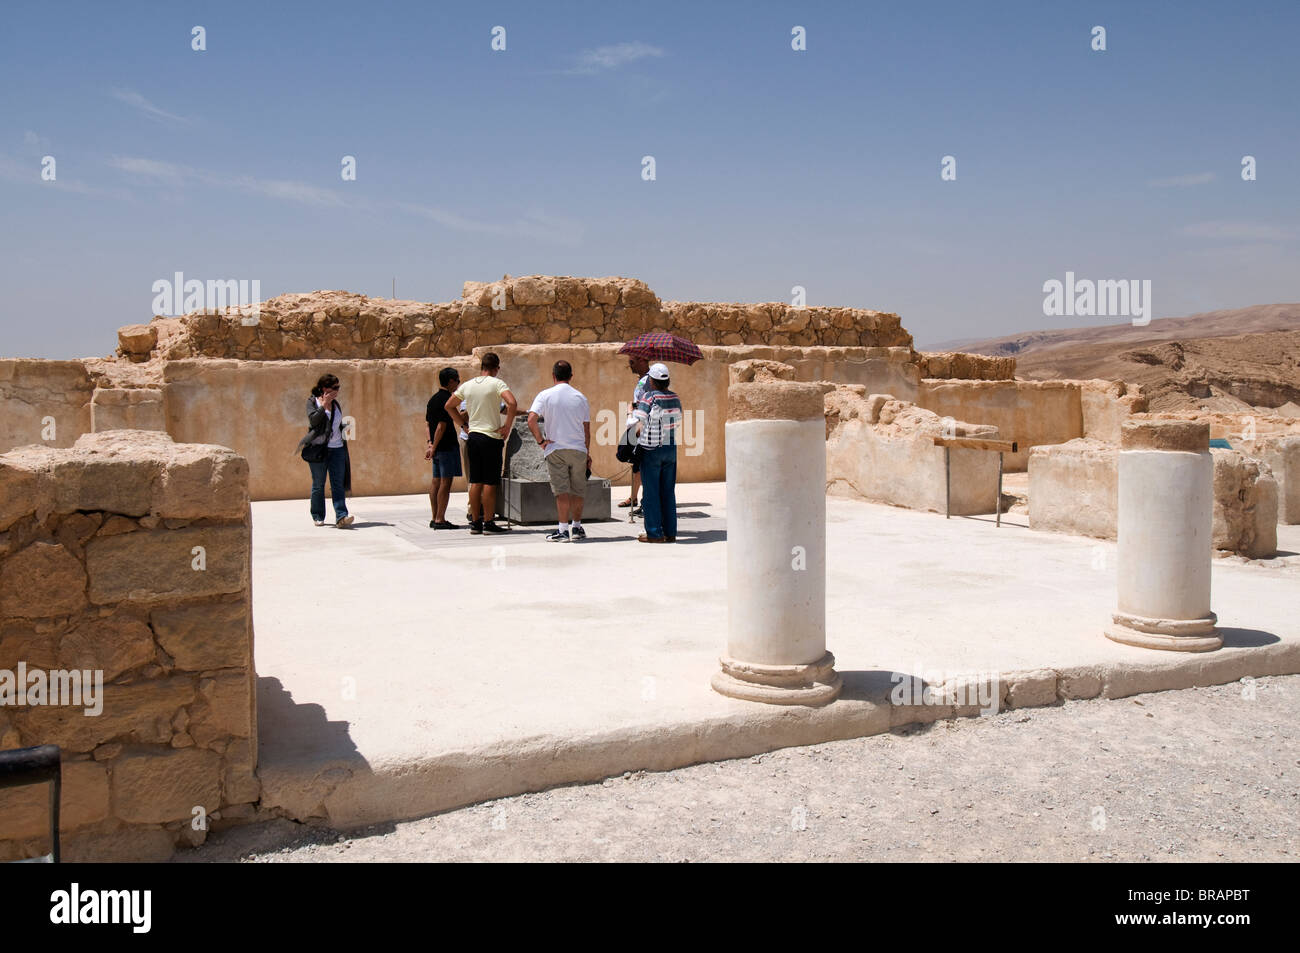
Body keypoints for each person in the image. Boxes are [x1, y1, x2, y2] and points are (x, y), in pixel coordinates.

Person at [445, 352, 516, 534]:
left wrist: (463, 425)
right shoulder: (497, 383)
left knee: (475, 481)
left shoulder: (468, 385)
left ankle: (475, 522)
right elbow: (512, 403)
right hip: (491, 438)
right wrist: (507, 427)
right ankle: (489, 522)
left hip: (473, 437)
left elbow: (449, 405)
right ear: (496, 368)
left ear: (481, 367)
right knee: (490, 482)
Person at [527, 360, 591, 542]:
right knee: (578, 490)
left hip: (555, 448)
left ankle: (563, 530)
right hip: (578, 448)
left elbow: (531, 419)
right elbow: (586, 429)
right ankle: (577, 528)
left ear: (553, 376)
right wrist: (587, 453)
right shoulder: (581, 398)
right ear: (571, 376)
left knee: (561, 491)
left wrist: (541, 441)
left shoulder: (544, 395)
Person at [632, 363, 683, 543]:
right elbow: (677, 421)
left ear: (652, 381)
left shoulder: (648, 397)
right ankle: (670, 532)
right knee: (668, 491)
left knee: (651, 492)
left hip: (652, 449)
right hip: (670, 448)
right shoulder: (675, 398)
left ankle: (654, 533)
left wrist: (633, 422)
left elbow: (639, 425)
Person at [297, 373, 354, 528]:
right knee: (318, 484)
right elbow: (313, 421)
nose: (337, 390)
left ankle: (341, 516)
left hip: (337, 449)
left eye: (338, 387)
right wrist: (324, 405)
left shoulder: (336, 404)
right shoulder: (312, 402)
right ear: (324, 388)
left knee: (338, 484)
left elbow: (337, 424)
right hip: (319, 449)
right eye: (334, 387)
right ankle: (317, 515)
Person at [424, 367, 462, 529]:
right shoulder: (447, 400)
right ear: (451, 381)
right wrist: (435, 446)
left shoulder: (433, 399)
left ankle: (434, 517)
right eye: (458, 381)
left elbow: (427, 424)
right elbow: (441, 426)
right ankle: (440, 519)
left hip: (437, 447)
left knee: (436, 482)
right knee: (445, 483)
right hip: (446, 447)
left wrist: (430, 443)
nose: (459, 384)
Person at [620, 355, 650, 513]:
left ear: (643, 360)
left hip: (641, 427)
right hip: (637, 424)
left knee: (642, 464)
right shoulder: (643, 380)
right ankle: (636, 498)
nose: (629, 366)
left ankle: (645, 502)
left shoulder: (649, 381)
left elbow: (648, 405)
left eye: (632, 362)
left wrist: (631, 413)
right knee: (636, 463)